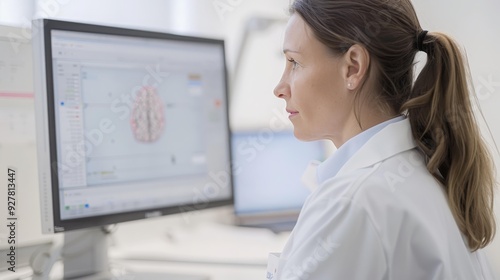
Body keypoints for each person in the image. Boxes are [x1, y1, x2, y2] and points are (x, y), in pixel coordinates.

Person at [271, 0, 497, 279]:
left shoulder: (353, 203)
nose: (279, 88)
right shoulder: (426, 172)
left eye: (294, 62)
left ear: (353, 67)